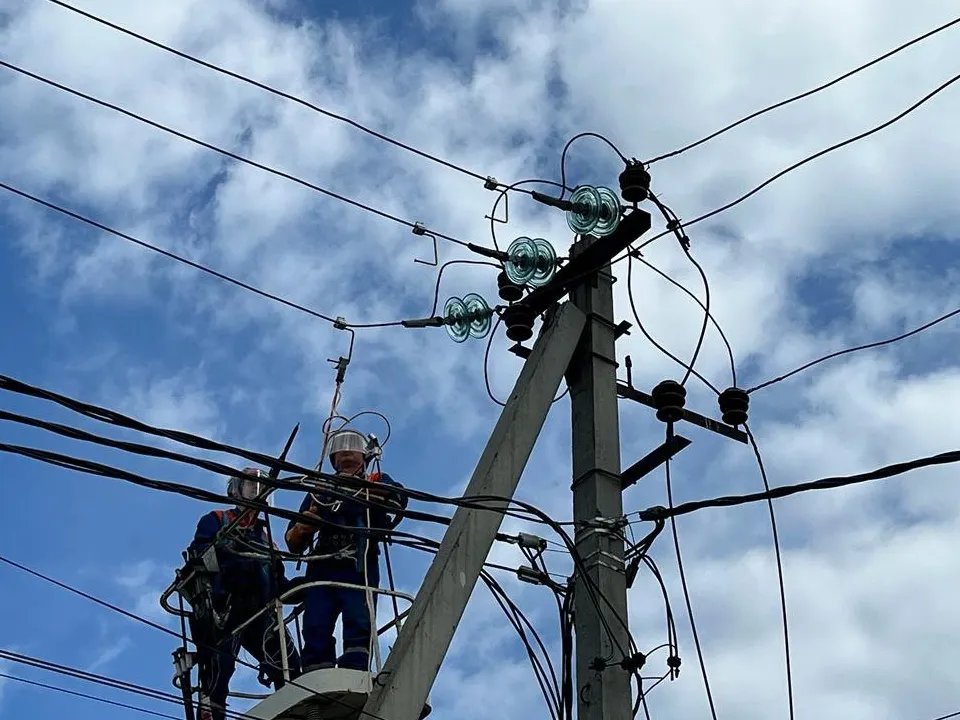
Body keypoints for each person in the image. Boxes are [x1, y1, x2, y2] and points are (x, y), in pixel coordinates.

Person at [285, 428, 407, 673]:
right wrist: (304, 527)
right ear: (333, 459)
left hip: (358, 563)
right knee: (315, 623)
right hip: (322, 566)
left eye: (353, 447)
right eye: (340, 449)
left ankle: (355, 670)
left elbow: (399, 499)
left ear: (365, 456)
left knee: (358, 618)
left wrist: (360, 490)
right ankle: (316, 674)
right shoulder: (319, 490)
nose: (347, 452)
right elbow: (292, 541)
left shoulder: (376, 480)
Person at [185, 467, 302, 720]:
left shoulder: (266, 537)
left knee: (289, 666)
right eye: (250, 484)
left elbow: (278, 583)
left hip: (260, 611)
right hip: (225, 607)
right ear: (235, 491)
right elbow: (202, 556)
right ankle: (212, 714)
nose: (256, 489)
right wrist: (228, 551)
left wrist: (304, 587)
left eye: (260, 486)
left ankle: (294, 712)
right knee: (218, 670)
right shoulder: (217, 520)